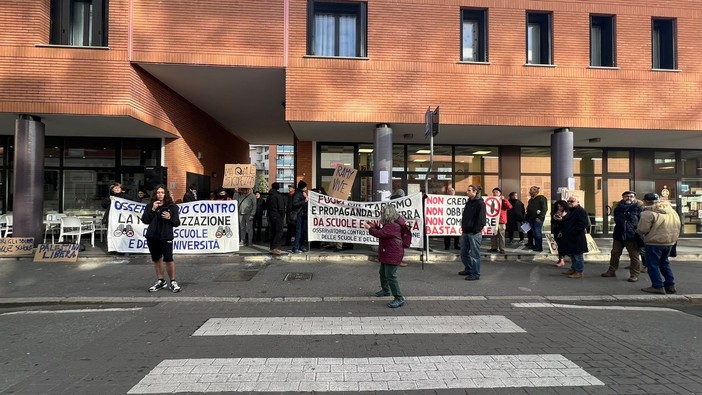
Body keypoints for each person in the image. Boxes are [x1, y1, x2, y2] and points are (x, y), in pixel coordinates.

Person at [636, 192, 681, 294]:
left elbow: (642, 229)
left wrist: (638, 232)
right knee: (664, 263)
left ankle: (657, 286)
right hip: (670, 242)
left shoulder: (647, 213)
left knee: (652, 265)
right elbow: (678, 225)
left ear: (646, 201)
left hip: (654, 242)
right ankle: (670, 285)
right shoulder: (671, 211)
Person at [364, 204, 406, 308]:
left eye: (382, 213)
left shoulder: (393, 225)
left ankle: (399, 298)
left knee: (391, 276)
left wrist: (370, 229)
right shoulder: (391, 224)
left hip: (393, 253)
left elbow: (381, 234)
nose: (381, 214)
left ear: (387, 214)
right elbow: (383, 232)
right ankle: (385, 290)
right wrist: (376, 227)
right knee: (383, 272)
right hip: (388, 252)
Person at [141, 185, 182, 293]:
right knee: (156, 258)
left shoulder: (172, 207)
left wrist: (169, 218)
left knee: (168, 258)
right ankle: (161, 280)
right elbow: (145, 220)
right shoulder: (150, 206)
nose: (160, 194)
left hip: (166, 235)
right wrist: (153, 209)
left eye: (162, 192)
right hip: (152, 235)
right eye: (158, 192)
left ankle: (173, 281)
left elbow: (176, 223)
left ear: (166, 194)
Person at [601, 191, 644, 282]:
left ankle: (634, 274)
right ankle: (611, 271)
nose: (629, 198)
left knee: (634, 256)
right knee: (615, 254)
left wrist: (637, 231)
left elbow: (642, 221)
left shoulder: (639, 207)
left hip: (632, 236)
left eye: (631, 196)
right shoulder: (618, 207)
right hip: (619, 234)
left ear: (635, 198)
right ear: (623, 197)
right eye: (626, 196)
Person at [459, 185, 485, 281]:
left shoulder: (480, 203)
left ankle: (475, 273)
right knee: (463, 253)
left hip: (474, 233)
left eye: (469, 190)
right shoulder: (469, 202)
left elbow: (481, 219)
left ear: (475, 192)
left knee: (475, 254)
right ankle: (469, 269)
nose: (467, 192)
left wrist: (475, 230)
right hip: (466, 231)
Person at [560, 196, 589, 279]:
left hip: (577, 237)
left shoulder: (581, 211)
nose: (569, 202)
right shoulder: (570, 210)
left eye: (572, 201)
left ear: (578, 202)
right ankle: (573, 269)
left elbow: (583, 224)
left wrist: (573, 231)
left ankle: (579, 271)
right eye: (568, 201)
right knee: (572, 254)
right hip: (570, 236)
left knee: (578, 255)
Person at [489, 187, 512, 254]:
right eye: (494, 192)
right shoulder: (491, 200)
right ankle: (494, 248)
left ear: (500, 193)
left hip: (501, 220)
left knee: (501, 235)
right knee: (493, 235)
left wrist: (504, 199)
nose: (495, 193)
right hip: (493, 220)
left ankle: (502, 248)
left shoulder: (503, 200)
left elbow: (509, 207)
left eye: (496, 192)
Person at [525, 186, 548, 252]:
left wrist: (540, 217)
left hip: (537, 219)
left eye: (531, 190)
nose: (530, 192)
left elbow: (544, 208)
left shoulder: (541, 198)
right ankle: (535, 245)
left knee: (537, 232)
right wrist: (526, 219)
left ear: (536, 191)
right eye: (530, 190)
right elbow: (528, 210)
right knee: (533, 232)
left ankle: (539, 247)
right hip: (531, 218)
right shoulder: (530, 200)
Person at [267, 182, 286, 255]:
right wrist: (282, 215)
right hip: (277, 215)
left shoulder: (269, 196)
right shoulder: (278, 196)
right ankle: (275, 247)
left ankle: (272, 247)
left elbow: (267, 206)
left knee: (273, 231)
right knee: (279, 231)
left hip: (270, 215)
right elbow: (281, 208)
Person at [291, 180, 309, 253]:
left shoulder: (302, 193)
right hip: (299, 215)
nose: (306, 188)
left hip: (302, 215)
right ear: (303, 187)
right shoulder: (298, 194)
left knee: (302, 232)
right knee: (298, 231)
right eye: (305, 186)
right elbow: (295, 203)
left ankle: (301, 246)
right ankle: (295, 248)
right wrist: (304, 201)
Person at [550, 200, 568, 267]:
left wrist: (562, 219)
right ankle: (561, 259)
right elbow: (553, 222)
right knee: (559, 245)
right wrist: (554, 218)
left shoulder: (567, 213)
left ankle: (562, 259)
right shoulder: (556, 212)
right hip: (557, 230)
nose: (559, 208)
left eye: (561, 206)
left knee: (563, 245)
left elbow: (567, 222)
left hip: (564, 230)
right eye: (558, 206)